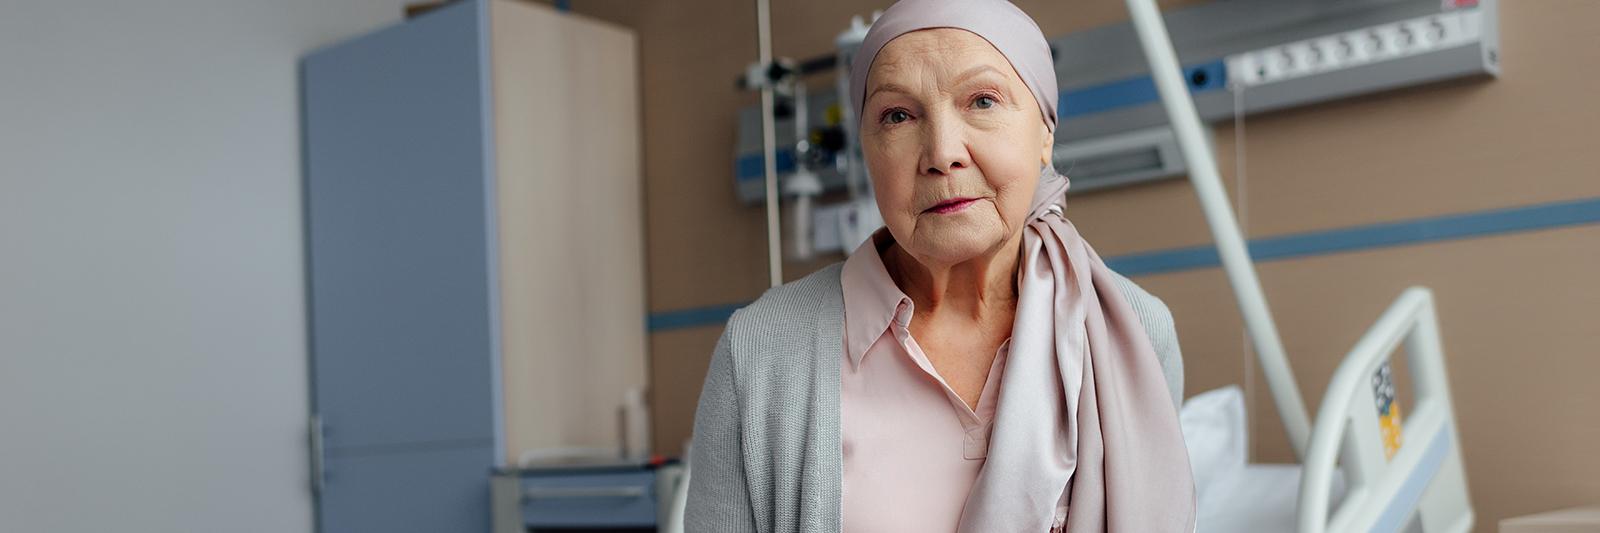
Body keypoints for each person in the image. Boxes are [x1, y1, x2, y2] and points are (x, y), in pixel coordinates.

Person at [686, 0, 1197, 530]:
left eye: (982, 100)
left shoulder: (1132, 330)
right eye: (898, 116)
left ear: (1045, 132)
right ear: (867, 149)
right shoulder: (760, 351)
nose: (942, 153)